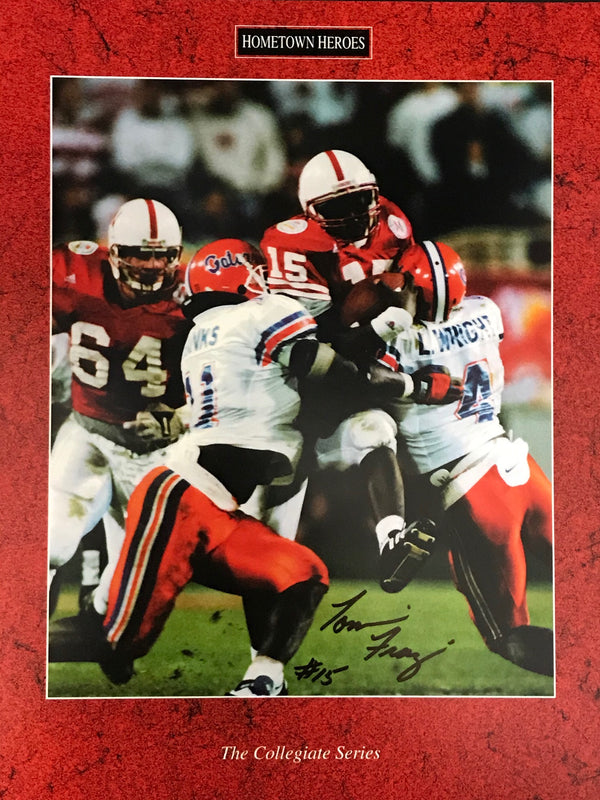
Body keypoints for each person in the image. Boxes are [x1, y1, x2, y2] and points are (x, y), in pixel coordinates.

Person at [356, 240, 553, 676]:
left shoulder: (403, 339)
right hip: (520, 468)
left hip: (472, 490)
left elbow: (362, 376)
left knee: (508, 638)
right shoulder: (486, 310)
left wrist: (409, 379)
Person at [259, 149, 439, 591]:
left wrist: (395, 308)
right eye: (339, 208)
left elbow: (404, 288)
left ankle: (392, 541)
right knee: (270, 534)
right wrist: (385, 316)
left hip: (353, 370)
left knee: (376, 430)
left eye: (362, 200)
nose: (357, 214)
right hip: (295, 383)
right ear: (311, 214)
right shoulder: (290, 243)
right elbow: (318, 345)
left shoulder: (393, 222)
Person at [49, 198, 190, 620]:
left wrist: (183, 416)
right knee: (50, 544)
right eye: (137, 254)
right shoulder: (73, 274)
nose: (149, 266)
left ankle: (97, 618)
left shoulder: (193, 296)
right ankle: (21, 642)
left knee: (135, 592)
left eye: (160, 255)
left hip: (157, 451)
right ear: (112, 252)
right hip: (88, 430)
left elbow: (224, 372)